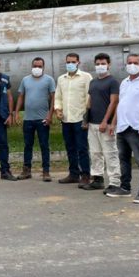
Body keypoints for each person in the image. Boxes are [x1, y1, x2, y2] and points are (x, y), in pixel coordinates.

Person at [107, 53, 139, 204]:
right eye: (129, 62)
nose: (132, 65)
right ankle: (125, 188)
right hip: (122, 126)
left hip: (136, 127)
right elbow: (120, 104)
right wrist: (113, 123)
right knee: (123, 159)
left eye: (135, 63)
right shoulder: (124, 82)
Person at [81, 53, 121, 192]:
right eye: (97, 64)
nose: (100, 66)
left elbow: (114, 102)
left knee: (110, 153)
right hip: (92, 124)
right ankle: (97, 179)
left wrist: (106, 121)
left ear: (109, 65)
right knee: (95, 152)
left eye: (103, 63)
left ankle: (115, 182)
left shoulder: (113, 82)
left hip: (106, 124)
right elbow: (90, 101)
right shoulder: (93, 82)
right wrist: (86, 119)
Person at [13, 56, 55, 181]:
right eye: (35, 66)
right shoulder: (25, 80)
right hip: (28, 119)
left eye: (39, 66)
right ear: (31, 67)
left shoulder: (49, 80)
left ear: (43, 67)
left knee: (44, 145)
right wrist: (16, 112)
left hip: (43, 119)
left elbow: (53, 98)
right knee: (28, 145)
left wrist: (50, 115)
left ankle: (46, 171)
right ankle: (26, 170)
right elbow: (21, 96)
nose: (37, 68)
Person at [53, 52, 92, 185]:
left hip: (80, 118)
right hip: (66, 119)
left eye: (73, 62)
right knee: (70, 148)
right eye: (68, 62)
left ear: (78, 63)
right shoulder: (61, 79)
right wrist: (58, 109)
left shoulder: (86, 77)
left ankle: (85, 175)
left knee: (82, 148)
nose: (70, 64)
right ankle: (73, 174)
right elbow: (58, 97)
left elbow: (89, 97)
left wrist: (87, 117)